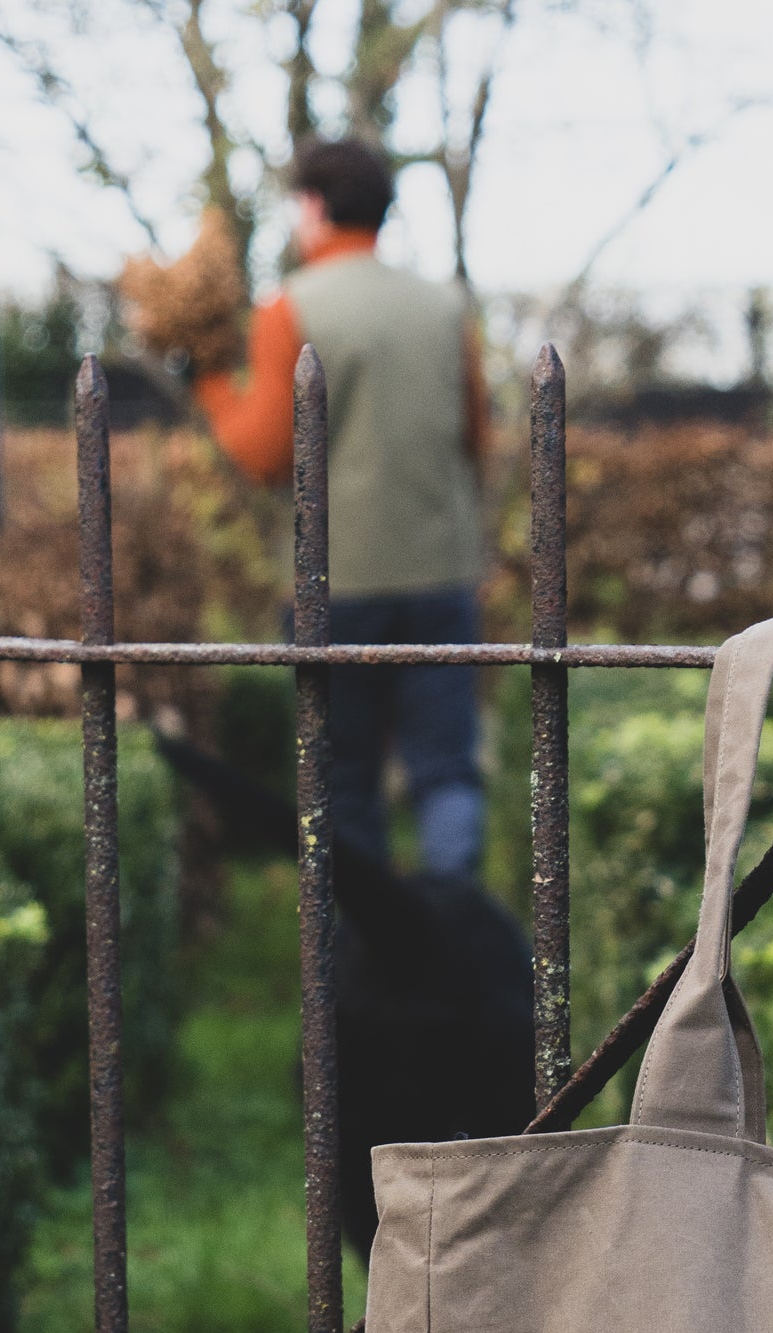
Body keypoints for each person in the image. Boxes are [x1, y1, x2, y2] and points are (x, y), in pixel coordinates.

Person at [196, 137, 492, 878]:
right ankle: (448, 933)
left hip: (337, 583)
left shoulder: (290, 308)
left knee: (343, 781)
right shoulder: (445, 306)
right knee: (445, 771)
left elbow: (264, 456)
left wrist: (207, 380)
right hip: (439, 572)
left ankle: (360, 967)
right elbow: (477, 437)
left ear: (317, 208)